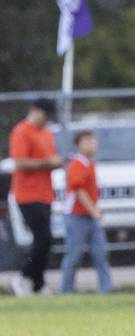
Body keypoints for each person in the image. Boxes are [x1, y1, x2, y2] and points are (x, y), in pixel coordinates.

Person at [9, 99, 63, 296]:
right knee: (42, 238)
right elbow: (20, 163)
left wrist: (56, 163)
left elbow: (49, 158)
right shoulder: (22, 131)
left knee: (46, 240)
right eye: (45, 115)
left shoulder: (47, 133)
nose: (47, 120)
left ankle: (38, 283)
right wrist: (47, 163)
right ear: (35, 111)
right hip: (27, 193)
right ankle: (23, 275)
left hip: (45, 193)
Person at [59, 131, 112, 294]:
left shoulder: (90, 164)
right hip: (76, 216)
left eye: (93, 141)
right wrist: (94, 211)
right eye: (87, 141)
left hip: (90, 216)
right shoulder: (77, 164)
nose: (92, 145)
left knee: (100, 253)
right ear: (78, 145)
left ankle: (106, 290)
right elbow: (80, 191)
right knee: (74, 255)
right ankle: (66, 291)